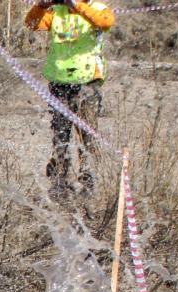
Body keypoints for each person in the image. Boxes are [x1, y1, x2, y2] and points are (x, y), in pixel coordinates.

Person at [25, 0, 115, 198]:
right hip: (60, 82)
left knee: (87, 134)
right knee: (60, 134)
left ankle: (88, 182)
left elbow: (105, 22)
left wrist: (76, 5)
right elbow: (31, 24)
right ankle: (60, 182)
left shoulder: (97, 9)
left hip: (87, 81)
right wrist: (41, 6)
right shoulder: (57, 12)